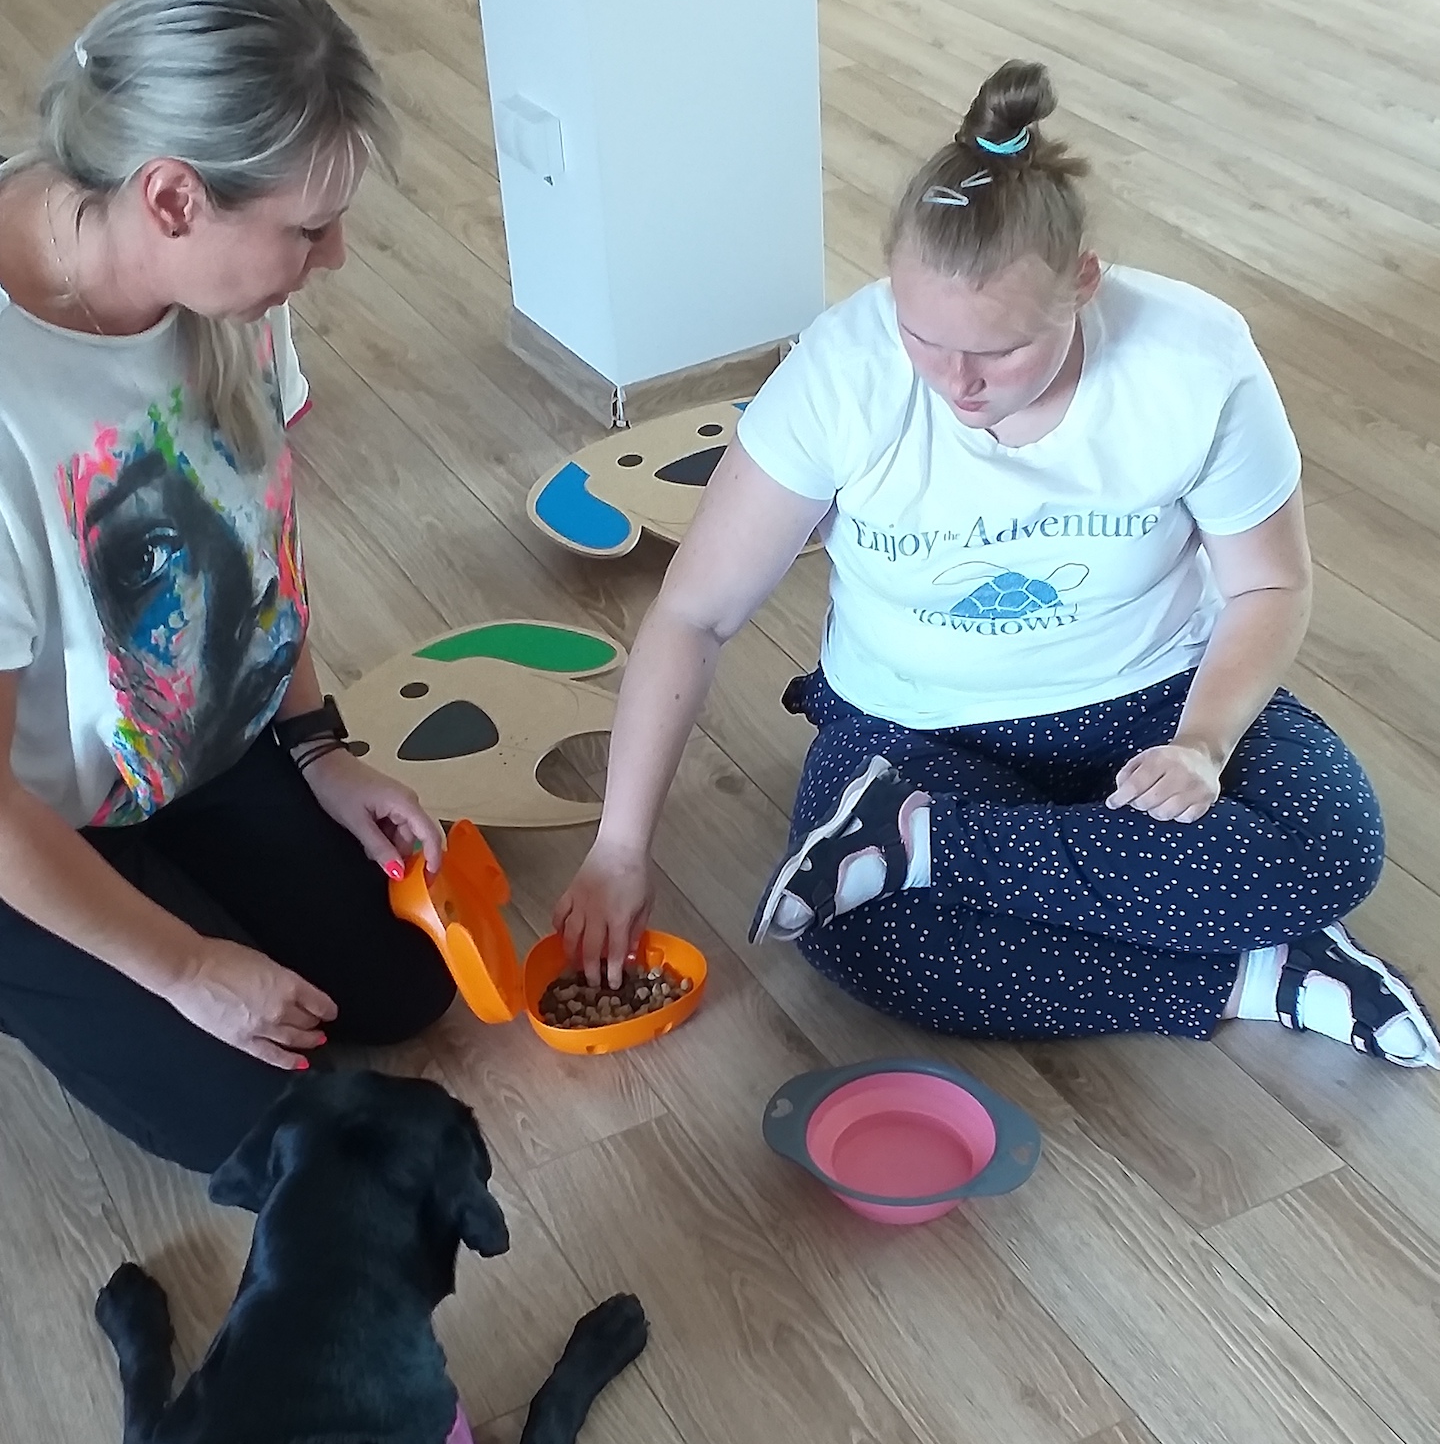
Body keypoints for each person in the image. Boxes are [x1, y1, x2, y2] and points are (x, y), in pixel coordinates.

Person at [556, 60, 1438, 1071]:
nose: (957, 383)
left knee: (1328, 847)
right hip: (915, 725)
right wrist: (619, 846)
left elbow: (1270, 583)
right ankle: (1261, 975)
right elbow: (696, 615)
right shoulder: (840, 373)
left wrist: (1200, 744)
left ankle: (918, 843)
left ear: (1085, 284)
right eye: (922, 338)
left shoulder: (1195, 360)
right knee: (867, 941)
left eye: (1000, 350)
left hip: (1155, 700)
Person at [0, 0, 456, 1175]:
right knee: (275, 1122)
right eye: (309, 229)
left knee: (405, 984)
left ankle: (166, 860)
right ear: (172, 198)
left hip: (172, 742)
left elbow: (253, 543)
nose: (335, 255)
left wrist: (319, 749)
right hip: (19, 818)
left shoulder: (223, 285)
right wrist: (185, 964)